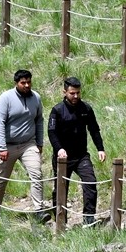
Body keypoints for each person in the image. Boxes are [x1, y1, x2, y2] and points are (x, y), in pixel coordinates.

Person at [48, 77, 106, 227]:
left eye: (78, 93)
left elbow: (94, 130)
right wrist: (59, 149)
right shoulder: (57, 110)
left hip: (81, 156)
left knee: (90, 182)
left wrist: (100, 148)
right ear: (65, 92)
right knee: (61, 188)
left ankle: (89, 219)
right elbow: (52, 132)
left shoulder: (86, 109)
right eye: (72, 93)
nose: (75, 96)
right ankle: (61, 222)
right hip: (62, 157)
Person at [0, 69, 47, 221]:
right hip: (8, 146)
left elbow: (39, 120)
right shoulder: (6, 98)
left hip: (28, 144)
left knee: (36, 174)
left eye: (29, 82)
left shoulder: (36, 97)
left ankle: (39, 210)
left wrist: (40, 142)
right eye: (23, 83)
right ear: (16, 83)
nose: (27, 85)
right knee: (0, 179)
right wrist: (2, 147)